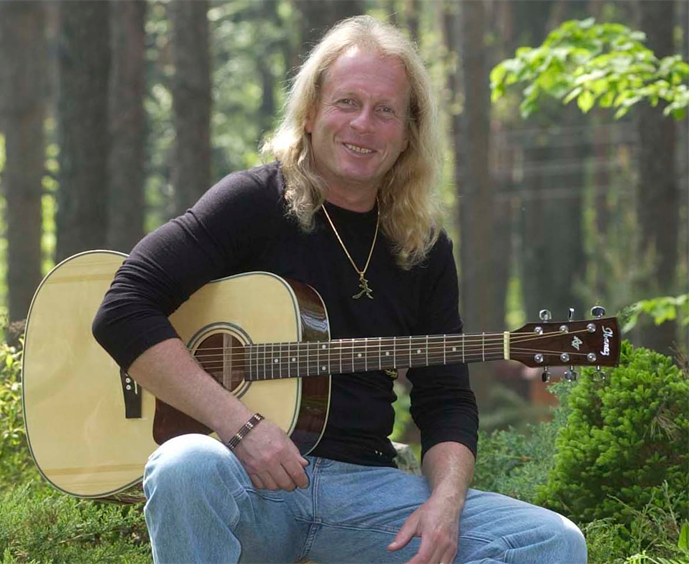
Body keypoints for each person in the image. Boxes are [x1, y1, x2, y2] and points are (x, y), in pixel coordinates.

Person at [93, 15, 587, 564]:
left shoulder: (421, 245)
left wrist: (445, 505)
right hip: (248, 484)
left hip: (366, 491)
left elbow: (446, 400)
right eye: (347, 102)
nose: (363, 124)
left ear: (408, 133)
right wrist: (239, 426)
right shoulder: (253, 203)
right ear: (310, 113)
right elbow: (123, 308)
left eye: (385, 111)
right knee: (184, 463)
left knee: (553, 541)